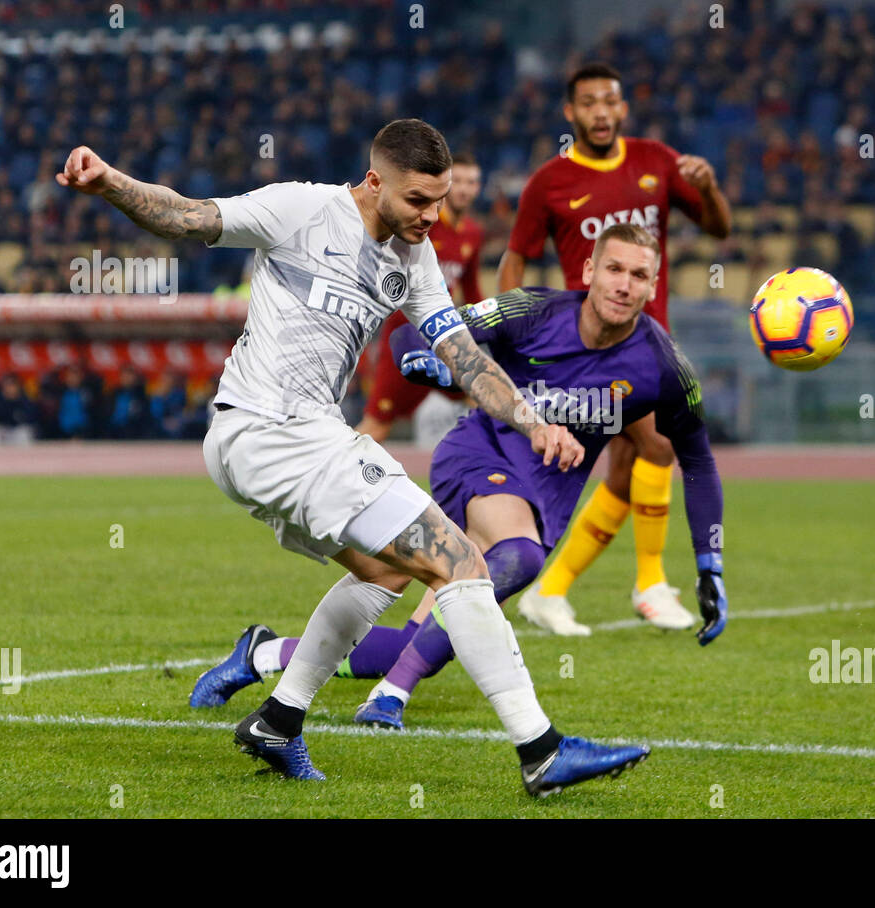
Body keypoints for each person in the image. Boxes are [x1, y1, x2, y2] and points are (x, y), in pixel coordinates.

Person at [56, 118, 649, 797]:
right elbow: (188, 217)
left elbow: (461, 355)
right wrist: (108, 182)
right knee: (458, 560)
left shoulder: (413, 257)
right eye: (419, 201)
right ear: (374, 182)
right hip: (272, 431)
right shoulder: (303, 209)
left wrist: (527, 416)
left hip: (280, 442)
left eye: (441, 200)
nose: (434, 216)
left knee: (382, 572)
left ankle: (279, 719)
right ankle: (542, 751)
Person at [191, 224, 729, 731]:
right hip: (477, 456)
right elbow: (409, 333)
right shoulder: (532, 310)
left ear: (654, 286)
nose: (624, 285)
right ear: (587, 270)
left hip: (545, 499)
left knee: (414, 627)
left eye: (639, 276)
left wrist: (710, 566)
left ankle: (259, 654)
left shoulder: (662, 365)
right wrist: (427, 363)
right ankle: (391, 698)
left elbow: (698, 461)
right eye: (615, 269)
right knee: (519, 556)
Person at [498, 62, 731, 634]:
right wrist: (509, 327)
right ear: (570, 113)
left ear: (623, 108)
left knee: (629, 468)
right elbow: (516, 256)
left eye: (610, 100)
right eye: (589, 103)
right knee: (658, 447)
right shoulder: (549, 182)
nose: (600, 112)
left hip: (650, 344)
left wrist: (707, 188)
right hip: (584, 348)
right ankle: (649, 583)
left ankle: (549, 591)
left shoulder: (655, 161)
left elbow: (718, 230)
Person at [356, 151, 484, 442]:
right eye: (459, 181)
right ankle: (327, 477)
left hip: (443, 338)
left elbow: (473, 290)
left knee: (485, 398)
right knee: (376, 427)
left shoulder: (473, 235)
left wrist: (491, 329)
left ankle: (484, 476)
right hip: (404, 337)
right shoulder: (421, 224)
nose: (464, 188)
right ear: (446, 184)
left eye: (472, 182)